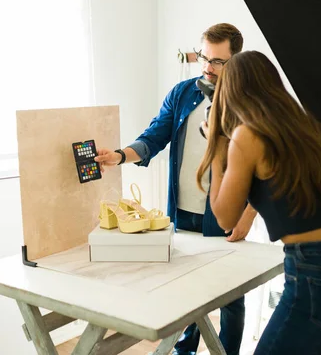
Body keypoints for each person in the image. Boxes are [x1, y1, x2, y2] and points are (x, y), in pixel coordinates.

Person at [197, 50, 321, 354]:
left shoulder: (247, 135)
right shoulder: (306, 128)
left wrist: (217, 149)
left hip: (319, 279)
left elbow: (224, 218)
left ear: (230, 92)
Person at [94, 23, 255, 355]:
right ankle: (185, 352)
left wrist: (248, 217)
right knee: (187, 296)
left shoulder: (248, 104)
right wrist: (120, 156)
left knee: (231, 300)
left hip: (226, 218)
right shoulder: (182, 93)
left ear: (235, 61)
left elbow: (262, 169)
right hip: (181, 215)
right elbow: (154, 136)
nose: (208, 68)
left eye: (218, 62)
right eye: (204, 58)